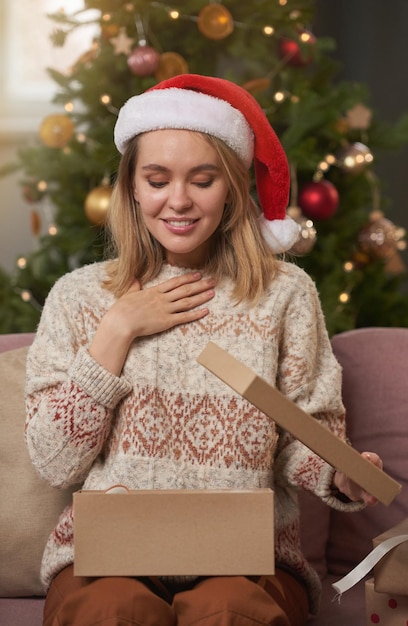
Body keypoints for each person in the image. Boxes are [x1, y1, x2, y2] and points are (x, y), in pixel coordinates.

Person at [25, 74, 382, 626]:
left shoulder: (285, 295)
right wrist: (117, 329)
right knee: (110, 611)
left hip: (248, 560)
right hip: (109, 556)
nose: (179, 200)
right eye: (157, 178)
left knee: (229, 612)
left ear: (233, 187)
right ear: (133, 187)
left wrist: (338, 473)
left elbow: (303, 438)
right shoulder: (79, 298)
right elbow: (54, 461)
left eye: (203, 179)